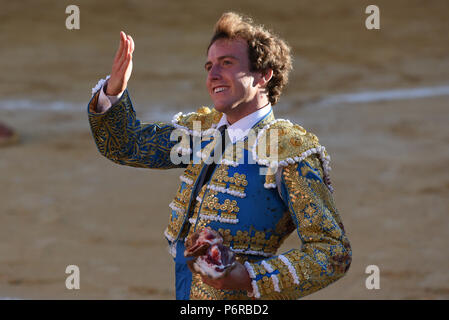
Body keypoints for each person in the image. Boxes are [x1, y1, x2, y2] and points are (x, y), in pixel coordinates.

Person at [87, 12, 351, 300]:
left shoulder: (286, 150)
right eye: (209, 66)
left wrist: (248, 277)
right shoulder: (202, 132)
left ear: (264, 75)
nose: (213, 75)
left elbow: (332, 251)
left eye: (227, 63)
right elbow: (127, 145)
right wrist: (114, 90)